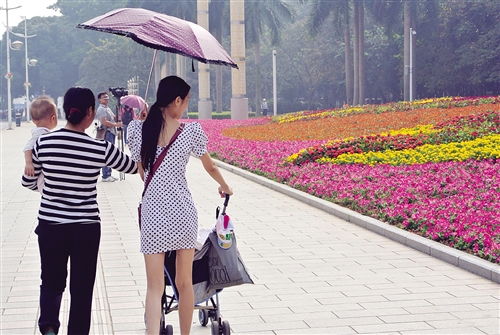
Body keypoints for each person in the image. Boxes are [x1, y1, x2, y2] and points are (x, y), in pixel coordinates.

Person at [21, 87, 138, 335]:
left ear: (65, 113)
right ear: (90, 113)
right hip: (86, 228)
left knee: (51, 281)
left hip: (51, 226)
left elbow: (29, 182)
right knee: (82, 288)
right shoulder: (98, 148)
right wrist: (137, 128)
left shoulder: (44, 143)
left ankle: (50, 326)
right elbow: (130, 166)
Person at [127, 76, 233, 335]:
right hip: (183, 213)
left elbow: (143, 174)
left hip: (153, 214)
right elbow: (210, 165)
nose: (185, 106)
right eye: (185, 101)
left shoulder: (137, 130)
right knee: (184, 283)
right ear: (176, 100)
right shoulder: (190, 132)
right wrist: (225, 186)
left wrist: (143, 124)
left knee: (154, 288)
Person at [23, 96, 59, 194]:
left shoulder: (41, 132)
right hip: (42, 180)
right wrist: (29, 163)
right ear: (53, 118)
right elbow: (27, 147)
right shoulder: (41, 134)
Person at [96, 91, 122, 182]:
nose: (106, 99)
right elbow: (105, 122)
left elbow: (113, 118)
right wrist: (116, 125)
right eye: (104, 97)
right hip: (107, 133)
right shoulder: (101, 109)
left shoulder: (107, 108)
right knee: (107, 154)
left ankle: (109, 173)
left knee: (111, 154)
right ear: (100, 99)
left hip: (111, 132)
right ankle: (105, 175)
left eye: (107, 97)